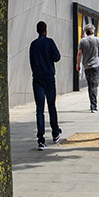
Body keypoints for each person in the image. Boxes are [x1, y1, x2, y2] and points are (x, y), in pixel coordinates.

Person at [29, 20, 64, 148]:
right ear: (45, 30)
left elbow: (31, 62)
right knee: (51, 106)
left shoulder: (33, 45)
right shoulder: (50, 42)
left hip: (37, 78)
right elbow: (57, 57)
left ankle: (41, 139)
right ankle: (55, 132)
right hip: (49, 77)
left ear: (37, 31)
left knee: (39, 109)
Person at [77, 24, 99, 112]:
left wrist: (78, 65)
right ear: (93, 31)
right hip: (95, 66)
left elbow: (79, 54)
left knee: (90, 85)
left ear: (85, 32)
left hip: (86, 66)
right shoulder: (97, 40)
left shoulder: (82, 41)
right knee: (94, 86)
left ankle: (92, 104)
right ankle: (93, 106)